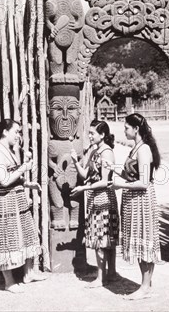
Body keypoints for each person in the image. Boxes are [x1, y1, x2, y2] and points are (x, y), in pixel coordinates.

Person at [105, 113, 161, 300]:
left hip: (141, 201)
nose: (124, 131)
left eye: (127, 128)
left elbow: (144, 182)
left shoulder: (144, 150)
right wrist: (112, 168)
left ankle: (145, 287)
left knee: (144, 240)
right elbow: (131, 174)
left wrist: (120, 185)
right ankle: (146, 284)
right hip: (133, 200)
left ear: (136, 129)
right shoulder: (135, 147)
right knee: (139, 241)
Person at [0, 119, 47, 293]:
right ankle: (9, 282)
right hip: (4, 201)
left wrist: (28, 184)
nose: (18, 135)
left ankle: (28, 273)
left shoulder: (9, 151)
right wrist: (24, 168)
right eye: (16, 131)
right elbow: (4, 180)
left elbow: (14, 176)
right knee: (6, 240)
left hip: (17, 199)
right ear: (5, 132)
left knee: (28, 233)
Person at [70, 119, 119, 288]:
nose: (89, 136)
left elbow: (105, 181)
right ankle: (109, 273)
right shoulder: (94, 151)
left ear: (102, 135)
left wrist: (84, 189)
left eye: (92, 133)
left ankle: (102, 277)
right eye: (89, 133)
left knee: (103, 238)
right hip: (95, 198)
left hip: (104, 199)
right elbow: (86, 175)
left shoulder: (107, 153)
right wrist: (76, 162)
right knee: (103, 238)